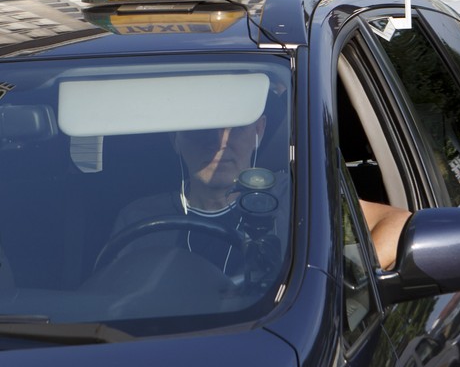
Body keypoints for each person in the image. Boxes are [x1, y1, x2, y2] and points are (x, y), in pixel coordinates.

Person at [113, 118, 410, 275]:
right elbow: (113, 295)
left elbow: (398, 223)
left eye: (236, 129)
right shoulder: (142, 217)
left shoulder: (295, 198)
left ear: (260, 129)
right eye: (203, 131)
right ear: (175, 140)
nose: (220, 145)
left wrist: (345, 279)